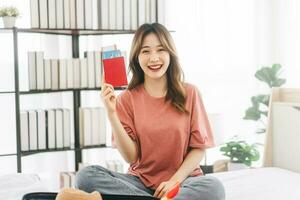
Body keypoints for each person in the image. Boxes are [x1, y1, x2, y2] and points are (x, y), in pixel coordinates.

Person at [76, 23, 225, 200]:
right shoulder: (126, 99)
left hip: (183, 182)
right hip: (139, 183)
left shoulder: (190, 93)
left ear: (170, 53)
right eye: (146, 51)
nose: (154, 58)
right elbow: (131, 157)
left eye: (160, 50)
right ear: (137, 57)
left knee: (214, 187)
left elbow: (198, 149)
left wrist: (174, 182)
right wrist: (111, 113)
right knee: (85, 176)